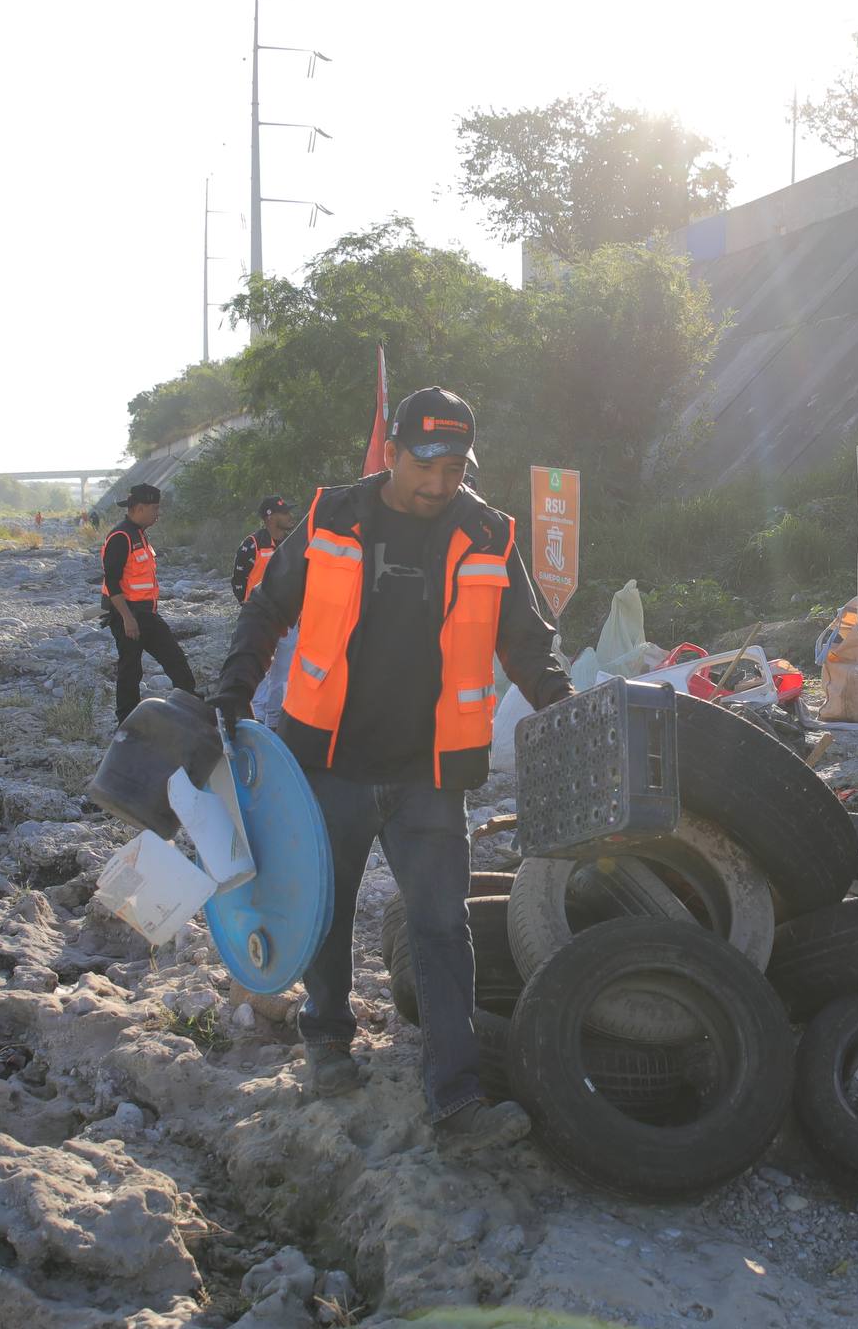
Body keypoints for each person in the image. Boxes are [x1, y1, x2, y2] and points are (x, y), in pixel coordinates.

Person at [216, 387, 572, 1155]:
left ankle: (456, 1099)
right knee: (326, 908)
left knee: (443, 925)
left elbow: (526, 639)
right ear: (392, 451)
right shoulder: (334, 517)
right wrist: (232, 692)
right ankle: (329, 1041)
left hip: (430, 770)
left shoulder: (485, 531)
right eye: (427, 463)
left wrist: (560, 701)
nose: (441, 481)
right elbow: (267, 608)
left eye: (456, 466)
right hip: (328, 758)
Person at [100, 482, 199, 722]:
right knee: (130, 671)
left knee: (176, 662)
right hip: (128, 616)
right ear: (140, 508)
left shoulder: (139, 535)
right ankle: (126, 724)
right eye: (154, 508)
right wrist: (127, 619)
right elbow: (112, 582)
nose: (158, 514)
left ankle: (191, 714)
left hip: (147, 615)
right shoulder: (121, 537)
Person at [232, 494, 298, 726]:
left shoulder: (292, 544)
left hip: (288, 620)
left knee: (283, 674)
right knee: (260, 672)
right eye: (284, 512)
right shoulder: (253, 544)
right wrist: (250, 612)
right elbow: (238, 582)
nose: (290, 517)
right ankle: (256, 719)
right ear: (270, 517)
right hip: (261, 620)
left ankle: (274, 721)